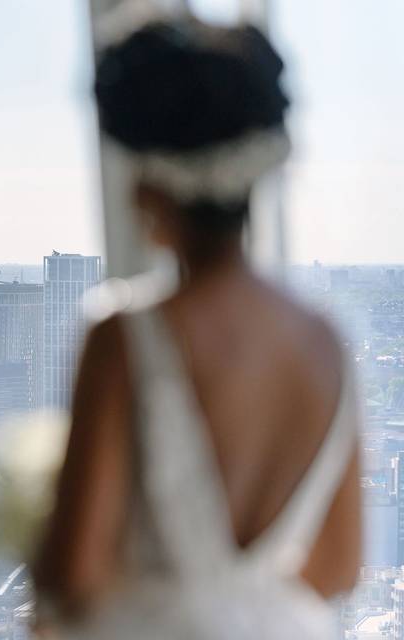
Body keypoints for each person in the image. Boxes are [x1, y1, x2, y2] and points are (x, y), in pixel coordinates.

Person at [31, 16, 361, 639]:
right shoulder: (324, 340)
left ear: (153, 182)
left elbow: (73, 573)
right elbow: (339, 568)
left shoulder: (126, 334)